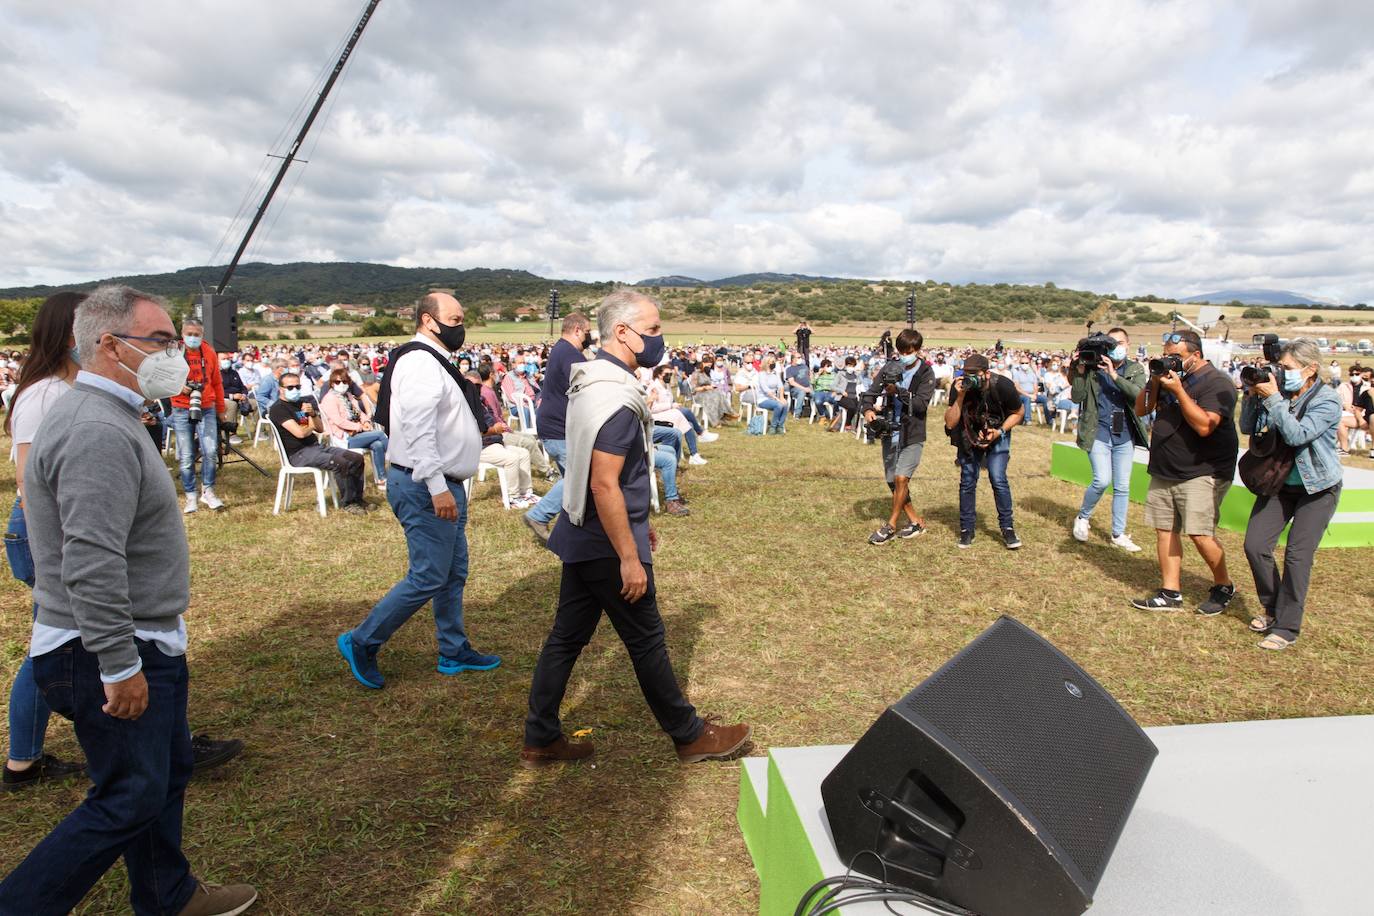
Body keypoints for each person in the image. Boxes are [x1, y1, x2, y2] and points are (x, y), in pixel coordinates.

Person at [0, 285, 257, 916]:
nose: (177, 353)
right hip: (108, 649)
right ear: (110, 346)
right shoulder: (95, 428)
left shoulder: (108, 413)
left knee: (161, 779)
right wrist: (118, 662)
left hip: (137, 638)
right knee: (129, 797)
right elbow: (90, 559)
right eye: (162, 341)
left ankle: (166, 895)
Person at [521, 291, 749, 768]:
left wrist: (638, 525)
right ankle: (688, 735)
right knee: (646, 638)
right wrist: (628, 554)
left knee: (566, 638)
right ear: (622, 332)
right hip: (604, 540)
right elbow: (605, 484)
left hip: (582, 531)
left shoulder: (593, 379)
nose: (660, 337)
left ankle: (541, 736)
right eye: (653, 328)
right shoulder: (616, 397)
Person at [337, 293, 500, 689]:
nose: (460, 326)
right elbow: (417, 428)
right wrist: (437, 486)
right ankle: (362, 640)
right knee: (428, 575)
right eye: (454, 318)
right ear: (429, 321)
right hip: (426, 484)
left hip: (441, 484)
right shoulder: (420, 362)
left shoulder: (433, 361)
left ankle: (453, 649)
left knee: (451, 573)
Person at [3, 292, 87, 791]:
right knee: (49, 645)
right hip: (45, 533)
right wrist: (64, 552)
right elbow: (30, 481)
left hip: (56, 531)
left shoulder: (67, 389)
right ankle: (21, 761)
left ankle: (23, 761)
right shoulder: (44, 395)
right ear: (70, 333)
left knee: (56, 642)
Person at [1239, 339, 1343, 650]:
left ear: (1311, 370)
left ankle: (1287, 627)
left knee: (1297, 557)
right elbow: (1247, 427)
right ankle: (1272, 608)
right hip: (1280, 483)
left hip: (1318, 487)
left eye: (1287, 368)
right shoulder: (1278, 394)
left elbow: (1298, 434)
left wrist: (1273, 399)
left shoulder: (1328, 400)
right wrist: (1253, 395)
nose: (1281, 373)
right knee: (1255, 544)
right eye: (1280, 367)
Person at [1130, 330, 1240, 613]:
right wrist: (1154, 381)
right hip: (1166, 466)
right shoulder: (1167, 377)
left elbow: (1205, 426)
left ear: (1196, 355)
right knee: (1165, 529)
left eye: (1176, 357)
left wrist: (1179, 391)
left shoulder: (1218, 383)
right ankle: (1170, 593)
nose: (1170, 362)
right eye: (1166, 356)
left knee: (1200, 534)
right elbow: (1141, 410)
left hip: (1203, 470)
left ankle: (1223, 585)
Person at [1069, 328, 1148, 551]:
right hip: (1098, 431)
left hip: (1124, 434)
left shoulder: (1135, 369)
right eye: (1111, 344)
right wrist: (1080, 370)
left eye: (1119, 343)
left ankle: (1118, 533)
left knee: (1122, 485)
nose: (1115, 347)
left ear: (1128, 345)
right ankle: (1083, 517)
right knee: (1102, 480)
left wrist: (1114, 375)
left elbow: (1138, 395)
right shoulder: (1093, 368)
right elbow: (1077, 397)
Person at [943, 353, 1024, 549]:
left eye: (974, 374)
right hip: (968, 435)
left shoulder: (1002, 385)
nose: (969, 378)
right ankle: (966, 529)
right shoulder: (959, 386)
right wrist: (960, 396)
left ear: (986, 373)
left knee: (998, 478)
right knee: (968, 481)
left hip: (998, 432)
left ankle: (1007, 528)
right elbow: (950, 421)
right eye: (966, 373)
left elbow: (1019, 412)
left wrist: (1000, 432)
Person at [862, 329, 935, 545]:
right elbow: (870, 393)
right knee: (893, 482)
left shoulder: (926, 373)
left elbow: (921, 404)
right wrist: (867, 410)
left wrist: (898, 391)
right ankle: (915, 522)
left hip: (912, 432)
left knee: (902, 478)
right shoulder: (889, 367)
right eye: (901, 351)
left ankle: (890, 525)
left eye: (909, 351)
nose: (904, 355)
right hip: (889, 431)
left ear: (918, 350)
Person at [525, 313, 591, 543]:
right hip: (560, 428)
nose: (589, 336)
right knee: (577, 478)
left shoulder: (560, 349)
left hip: (552, 425)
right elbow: (586, 389)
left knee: (573, 483)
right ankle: (539, 515)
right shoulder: (571, 354)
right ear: (577, 330)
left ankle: (571, 528)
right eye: (587, 331)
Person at [268, 372, 369, 514]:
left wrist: (313, 415)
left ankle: (357, 499)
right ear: (281, 389)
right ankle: (348, 503)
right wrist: (310, 424)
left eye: (297, 386)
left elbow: (320, 428)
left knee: (355, 458)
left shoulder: (300, 404)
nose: (295, 390)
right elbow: (301, 433)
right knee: (340, 462)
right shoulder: (278, 409)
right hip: (298, 454)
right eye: (290, 388)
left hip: (315, 447)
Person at [169, 318, 226, 514]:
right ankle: (190, 495)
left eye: (197, 334)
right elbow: (163, 378)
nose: (193, 337)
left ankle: (208, 491)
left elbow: (217, 381)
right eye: (189, 334)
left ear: (202, 334)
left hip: (207, 405)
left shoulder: (209, 351)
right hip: (180, 407)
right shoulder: (174, 352)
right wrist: (178, 387)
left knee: (210, 450)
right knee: (186, 455)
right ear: (182, 334)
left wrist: (221, 408)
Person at [320, 367, 389, 489]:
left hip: (357, 433)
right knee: (380, 434)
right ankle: (394, 461)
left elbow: (358, 412)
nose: (341, 384)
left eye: (345, 382)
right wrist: (359, 427)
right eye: (337, 382)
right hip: (343, 437)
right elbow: (339, 421)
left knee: (377, 444)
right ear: (331, 383)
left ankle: (382, 478)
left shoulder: (348, 396)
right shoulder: (329, 399)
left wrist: (366, 421)